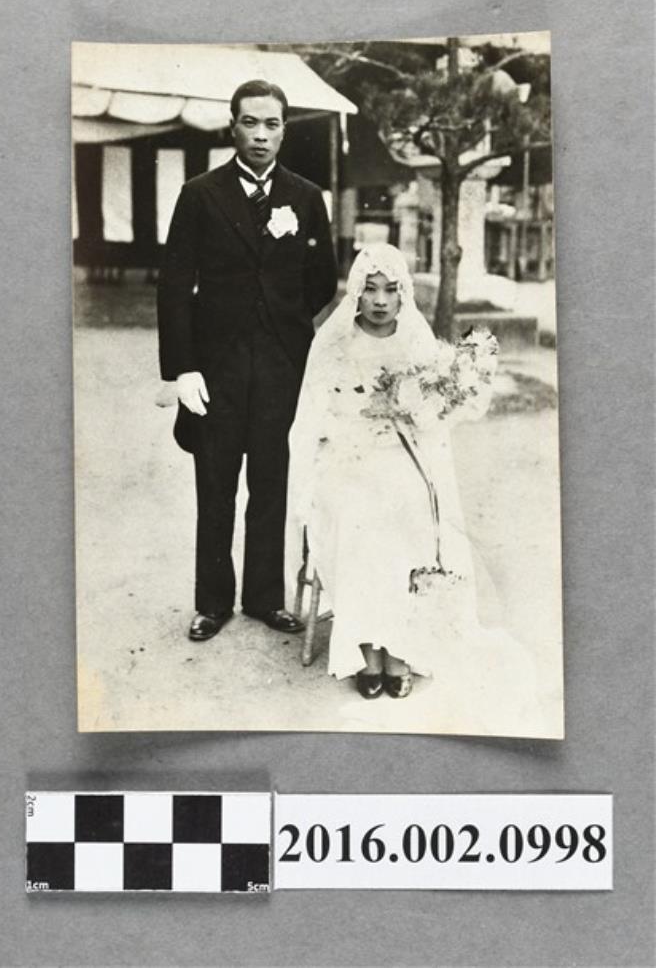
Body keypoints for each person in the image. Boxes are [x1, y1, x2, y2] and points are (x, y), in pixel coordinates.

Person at [157, 79, 338, 642]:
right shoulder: (200, 194)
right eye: (251, 122)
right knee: (215, 483)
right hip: (217, 366)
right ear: (232, 126)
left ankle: (264, 598)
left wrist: (283, 325)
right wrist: (183, 367)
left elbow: (323, 280)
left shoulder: (306, 196)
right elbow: (174, 284)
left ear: (285, 130)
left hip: (282, 364)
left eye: (272, 124)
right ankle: (212, 602)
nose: (261, 135)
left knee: (271, 479)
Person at [286, 244, 497, 699]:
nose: (380, 301)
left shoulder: (416, 341)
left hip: (403, 456)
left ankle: (401, 648)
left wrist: (429, 406)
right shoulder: (335, 343)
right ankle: (368, 649)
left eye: (390, 290)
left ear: (404, 294)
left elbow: (432, 418)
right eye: (370, 289)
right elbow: (314, 417)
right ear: (355, 293)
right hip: (347, 458)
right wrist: (346, 433)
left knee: (409, 510)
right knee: (358, 514)